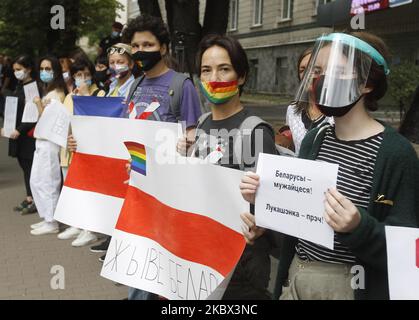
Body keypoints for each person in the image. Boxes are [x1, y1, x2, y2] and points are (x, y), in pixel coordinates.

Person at [239, 31, 419, 300]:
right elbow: (301, 217)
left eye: (335, 70)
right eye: (317, 70)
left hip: (351, 286)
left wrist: (359, 228)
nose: (321, 79)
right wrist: (265, 210)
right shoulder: (316, 138)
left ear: (366, 84)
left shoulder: (396, 153)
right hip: (298, 277)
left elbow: (407, 253)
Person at [177, 34, 278, 300]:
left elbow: (271, 208)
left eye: (224, 69)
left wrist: (261, 222)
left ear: (241, 76)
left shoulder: (256, 131)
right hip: (202, 257)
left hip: (241, 269)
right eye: (206, 70)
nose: (214, 78)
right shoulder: (200, 124)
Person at [120, 14, 202, 300]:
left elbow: (194, 142)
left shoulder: (182, 86)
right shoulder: (135, 86)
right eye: (135, 45)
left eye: (148, 44)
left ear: (164, 48)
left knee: (156, 277)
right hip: (136, 190)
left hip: (166, 198)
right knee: (138, 268)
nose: (140, 50)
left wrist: (180, 149)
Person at [57, 58, 106, 246]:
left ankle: (91, 229)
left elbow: (96, 121)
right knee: (73, 191)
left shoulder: (99, 94)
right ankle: (77, 224)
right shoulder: (70, 96)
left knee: (89, 192)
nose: (82, 78)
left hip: (89, 153)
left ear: (92, 75)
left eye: (86, 74)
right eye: (78, 75)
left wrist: (86, 96)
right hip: (69, 151)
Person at [30, 55, 67, 236]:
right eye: (42, 69)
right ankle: (46, 217)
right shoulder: (49, 90)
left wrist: (38, 105)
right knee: (36, 180)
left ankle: (52, 221)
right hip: (41, 141)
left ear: (56, 70)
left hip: (50, 142)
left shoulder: (58, 92)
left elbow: (49, 118)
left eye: (48, 69)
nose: (44, 72)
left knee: (48, 181)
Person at [0, 55, 37, 214]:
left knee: (30, 166)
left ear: (28, 69)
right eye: (15, 70)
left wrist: (18, 129)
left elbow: (33, 115)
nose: (16, 73)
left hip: (26, 134)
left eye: (19, 69)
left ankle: (34, 198)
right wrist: (7, 127)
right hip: (18, 133)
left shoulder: (32, 87)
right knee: (24, 165)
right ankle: (30, 196)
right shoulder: (20, 86)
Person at [285, 47, 333, 155]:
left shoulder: (339, 112)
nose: (308, 75)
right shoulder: (292, 110)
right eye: (302, 70)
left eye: (315, 69)